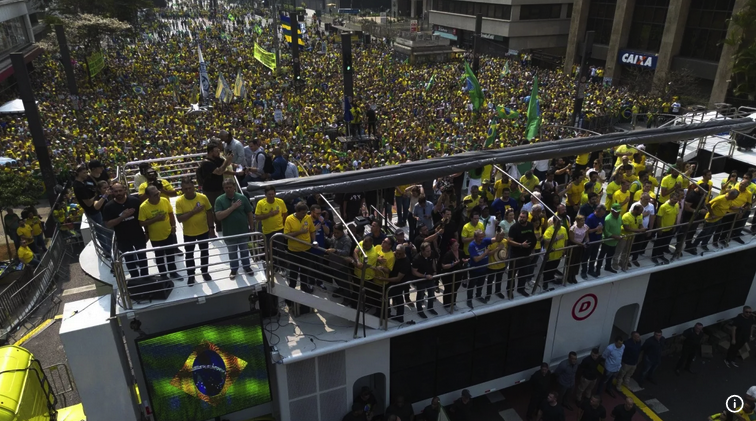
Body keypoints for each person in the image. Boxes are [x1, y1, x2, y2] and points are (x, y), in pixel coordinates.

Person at [103, 183, 149, 279]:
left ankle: (145, 278)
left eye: (120, 190)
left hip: (138, 235)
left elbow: (143, 218)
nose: (118, 193)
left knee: (143, 257)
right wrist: (122, 217)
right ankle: (135, 279)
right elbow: (108, 224)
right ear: (112, 193)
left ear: (124, 190)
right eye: (116, 191)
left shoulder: (135, 201)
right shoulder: (108, 206)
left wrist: (147, 232)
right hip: (123, 238)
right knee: (129, 260)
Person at [175, 177, 214, 285]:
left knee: (204, 252)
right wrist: (194, 212)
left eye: (190, 188)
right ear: (182, 189)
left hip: (203, 231)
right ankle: (191, 275)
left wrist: (211, 228)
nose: (188, 191)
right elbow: (179, 219)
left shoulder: (203, 197)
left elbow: (209, 212)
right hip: (189, 233)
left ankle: (205, 272)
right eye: (185, 189)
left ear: (194, 187)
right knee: (189, 255)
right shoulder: (179, 201)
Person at [215, 179, 255, 279]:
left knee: (245, 251)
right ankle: (234, 269)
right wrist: (232, 208)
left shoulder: (242, 198)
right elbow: (219, 216)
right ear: (223, 188)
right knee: (232, 253)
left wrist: (252, 227)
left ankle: (247, 267)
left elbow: (249, 212)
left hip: (243, 231)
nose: (228, 189)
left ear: (234, 187)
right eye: (226, 187)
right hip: (229, 233)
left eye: (230, 187)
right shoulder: (219, 200)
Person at [139, 185, 181, 280]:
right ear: (148, 196)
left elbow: (170, 213)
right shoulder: (144, 207)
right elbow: (141, 222)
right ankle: (163, 275)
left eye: (158, 193)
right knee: (159, 257)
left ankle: (173, 272)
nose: (158, 196)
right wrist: (155, 219)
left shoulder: (164, 200)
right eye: (154, 195)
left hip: (168, 233)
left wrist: (173, 226)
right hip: (155, 237)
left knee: (170, 255)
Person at [199, 141, 234, 232]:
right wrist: (227, 161)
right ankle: (215, 227)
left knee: (223, 206)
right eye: (216, 152)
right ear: (210, 152)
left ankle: (223, 225)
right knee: (214, 208)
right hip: (211, 190)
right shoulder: (206, 163)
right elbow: (219, 171)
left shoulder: (217, 159)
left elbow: (226, 166)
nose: (218, 153)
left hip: (220, 187)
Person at [285, 202, 317, 293]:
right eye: (303, 213)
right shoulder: (289, 219)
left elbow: (312, 230)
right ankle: (292, 288)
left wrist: (314, 240)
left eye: (306, 212)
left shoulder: (308, 217)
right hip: (294, 251)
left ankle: (304, 287)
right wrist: (300, 232)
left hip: (306, 250)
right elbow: (286, 235)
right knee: (293, 271)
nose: (305, 214)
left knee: (305, 270)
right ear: (297, 212)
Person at [508, 210, 536, 297]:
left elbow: (533, 238)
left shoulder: (530, 225)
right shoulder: (514, 227)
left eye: (523, 217)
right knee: (512, 274)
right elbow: (509, 241)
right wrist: (521, 245)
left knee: (524, 272)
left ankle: (521, 289)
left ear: (527, 218)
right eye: (520, 217)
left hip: (526, 254)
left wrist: (532, 250)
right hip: (515, 254)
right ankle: (509, 290)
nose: (521, 219)